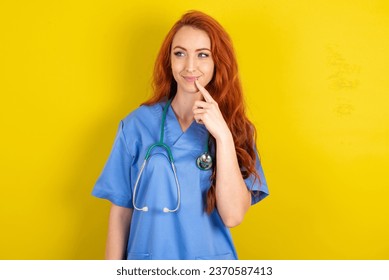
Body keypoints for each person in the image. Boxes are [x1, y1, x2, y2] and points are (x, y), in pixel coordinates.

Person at [92, 10, 269, 260]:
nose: (190, 67)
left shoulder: (236, 129)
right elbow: (120, 213)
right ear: (169, 60)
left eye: (203, 55)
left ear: (218, 62)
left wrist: (223, 137)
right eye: (180, 53)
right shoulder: (136, 125)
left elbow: (232, 216)